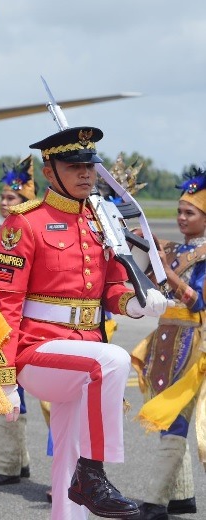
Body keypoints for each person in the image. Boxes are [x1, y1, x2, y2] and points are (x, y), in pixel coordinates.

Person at [0, 126, 170, 519]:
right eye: (74, 166)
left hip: (82, 352)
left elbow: (112, 289)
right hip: (35, 352)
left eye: (90, 165)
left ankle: (78, 487)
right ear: (50, 171)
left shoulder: (101, 221)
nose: (85, 173)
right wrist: (2, 376)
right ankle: (95, 474)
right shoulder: (25, 222)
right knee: (112, 361)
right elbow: (3, 303)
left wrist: (135, 305)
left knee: (68, 453)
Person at [131, 167, 206, 519]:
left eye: (189, 212)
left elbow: (198, 301)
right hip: (165, 340)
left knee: (174, 419)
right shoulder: (174, 249)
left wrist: (168, 270)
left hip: (194, 345)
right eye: (179, 211)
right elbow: (152, 287)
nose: (180, 218)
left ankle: (155, 502)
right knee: (169, 419)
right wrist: (140, 250)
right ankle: (182, 497)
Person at [0, 156, 38, 486]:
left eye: (12, 198)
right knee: (12, 391)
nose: (4, 202)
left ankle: (70, 473)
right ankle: (13, 461)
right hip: (0, 318)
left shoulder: (27, 230)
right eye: (2, 197)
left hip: (27, 324)